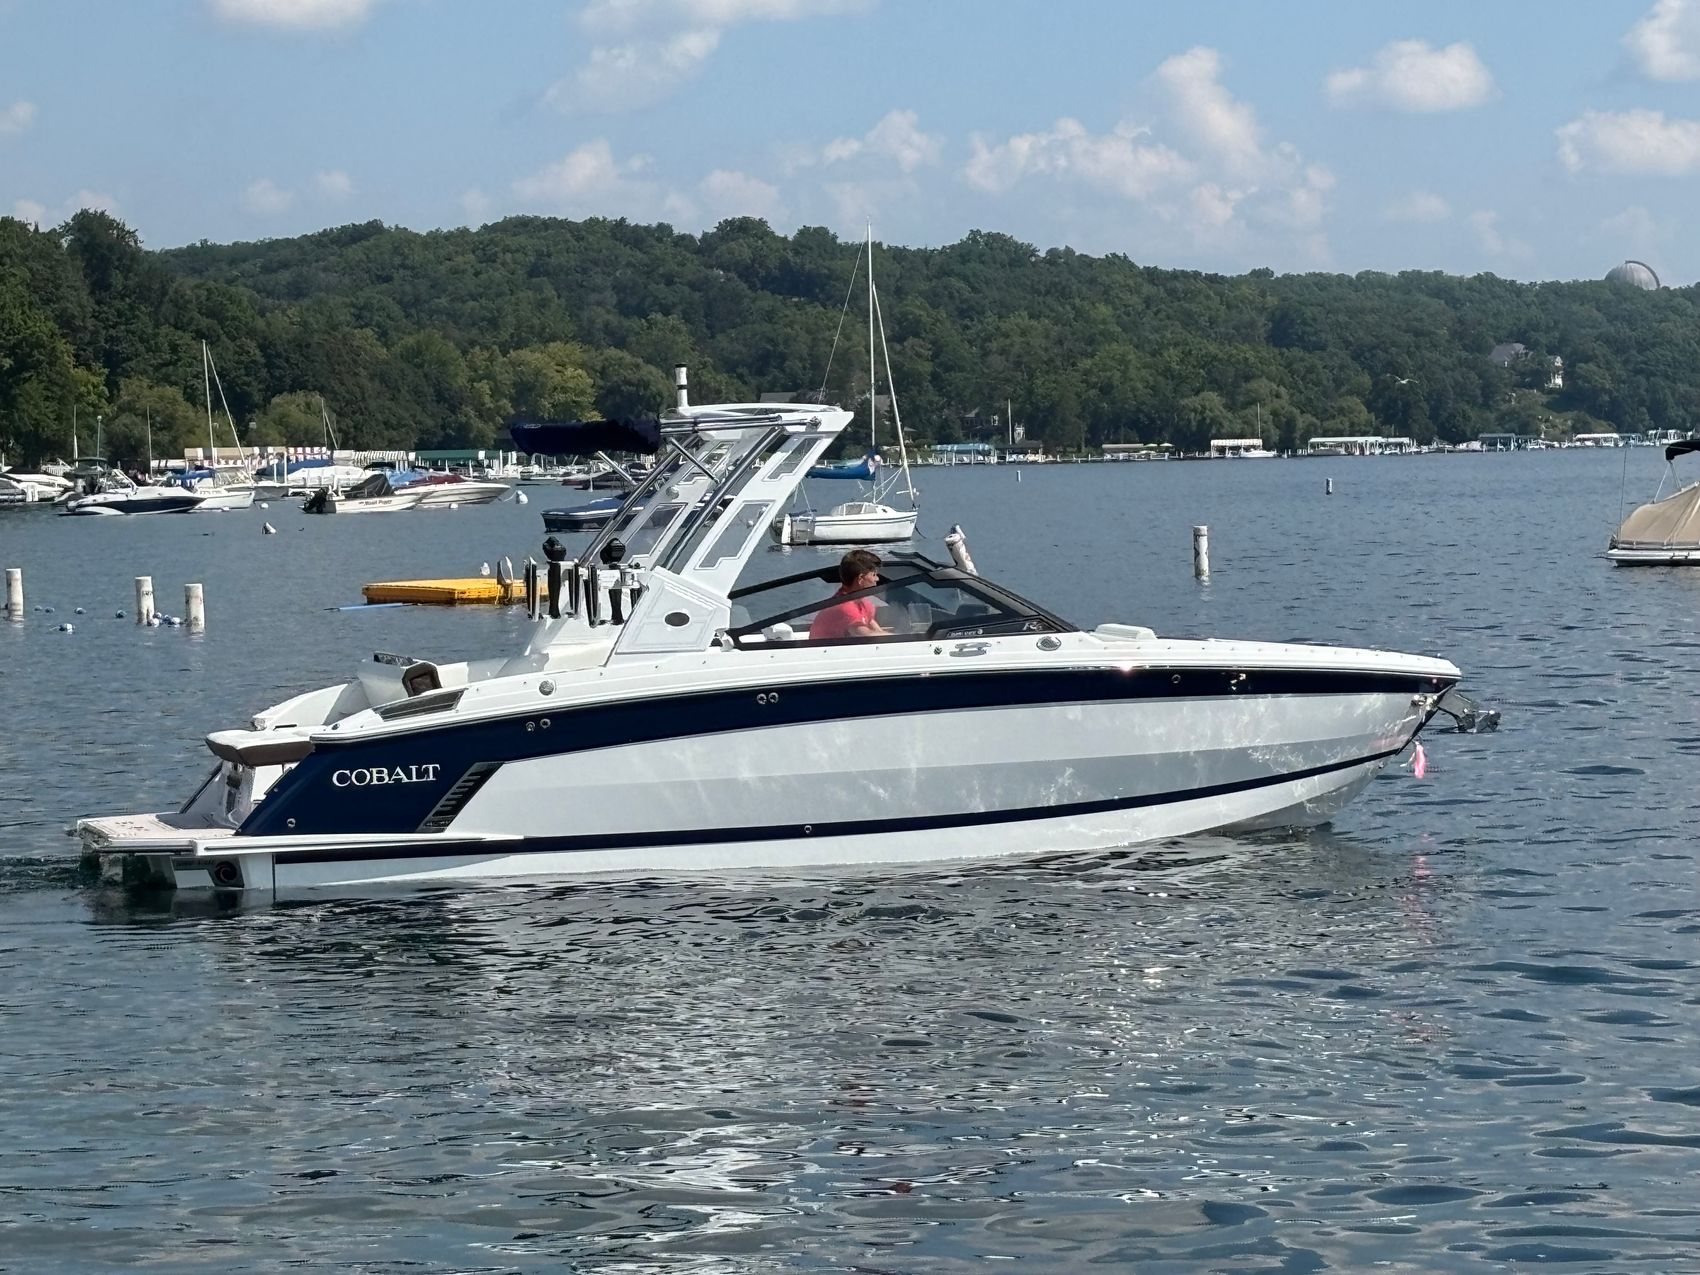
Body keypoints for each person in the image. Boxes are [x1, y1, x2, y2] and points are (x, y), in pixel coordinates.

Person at [809, 549, 891, 640]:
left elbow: (877, 631)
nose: (877, 579)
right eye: (874, 575)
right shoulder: (845, 607)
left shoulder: (863, 603)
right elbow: (864, 634)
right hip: (825, 649)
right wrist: (900, 637)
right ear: (860, 578)